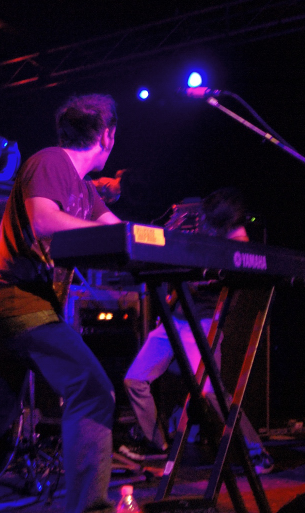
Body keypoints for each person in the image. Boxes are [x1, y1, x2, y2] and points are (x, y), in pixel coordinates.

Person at [0, 94, 122, 513]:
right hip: (16, 303)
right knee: (93, 391)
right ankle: (89, 509)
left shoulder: (84, 190)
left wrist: (163, 245)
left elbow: (118, 234)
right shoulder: (51, 161)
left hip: (1, 308)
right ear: (107, 136)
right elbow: (43, 220)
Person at [120, 188, 273, 474]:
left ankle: (256, 451)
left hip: (203, 323)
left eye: (207, 219)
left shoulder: (237, 241)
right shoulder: (206, 229)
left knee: (212, 393)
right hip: (174, 320)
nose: (203, 222)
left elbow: (222, 279)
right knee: (135, 380)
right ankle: (158, 446)